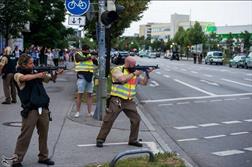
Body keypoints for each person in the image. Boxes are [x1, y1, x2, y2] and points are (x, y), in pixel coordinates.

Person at [11, 53, 63, 167]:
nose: (33, 65)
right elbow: (23, 78)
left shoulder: (34, 73)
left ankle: (43, 157)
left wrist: (55, 73)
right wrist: (37, 75)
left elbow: (50, 79)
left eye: (33, 63)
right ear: (23, 64)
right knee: (25, 135)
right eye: (30, 63)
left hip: (43, 107)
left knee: (44, 133)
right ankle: (16, 160)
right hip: (30, 109)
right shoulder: (17, 74)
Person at [96, 56, 153, 148]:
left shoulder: (133, 73)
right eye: (133, 64)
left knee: (136, 119)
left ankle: (133, 140)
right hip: (117, 99)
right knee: (109, 119)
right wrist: (134, 73)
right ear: (127, 63)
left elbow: (143, 83)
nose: (135, 66)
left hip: (129, 100)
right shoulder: (117, 69)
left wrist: (147, 73)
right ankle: (100, 139)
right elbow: (122, 79)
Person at [74, 46, 97, 118]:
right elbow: (79, 59)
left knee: (90, 95)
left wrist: (95, 59)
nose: (89, 51)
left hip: (90, 76)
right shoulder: (78, 54)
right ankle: (77, 112)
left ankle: (90, 112)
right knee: (79, 94)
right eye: (88, 50)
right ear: (84, 50)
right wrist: (90, 58)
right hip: (81, 76)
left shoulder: (90, 55)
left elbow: (96, 63)